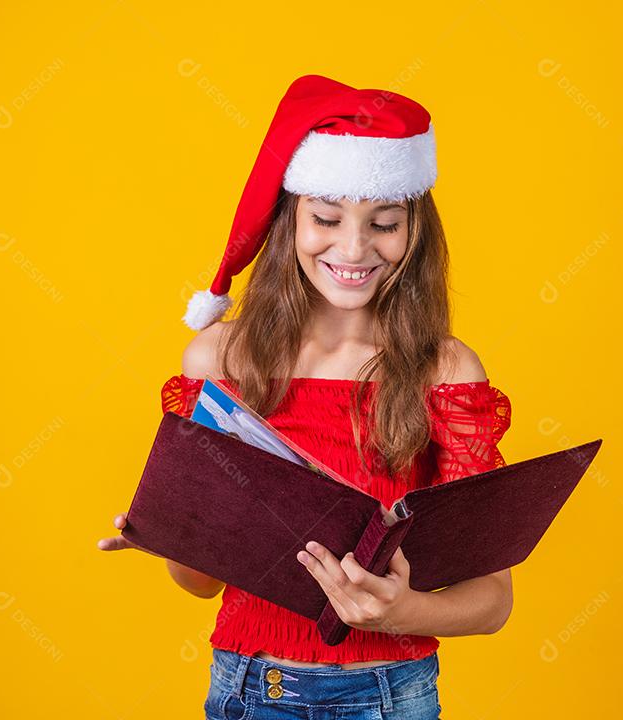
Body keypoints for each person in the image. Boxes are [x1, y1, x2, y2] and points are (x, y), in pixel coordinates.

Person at [96, 74, 514, 719]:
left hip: (387, 694)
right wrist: (178, 537)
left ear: (414, 232)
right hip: (246, 689)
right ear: (289, 220)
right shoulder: (217, 359)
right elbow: (200, 586)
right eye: (325, 218)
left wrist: (406, 611)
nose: (353, 247)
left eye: (383, 223)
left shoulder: (445, 370)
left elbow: (493, 602)